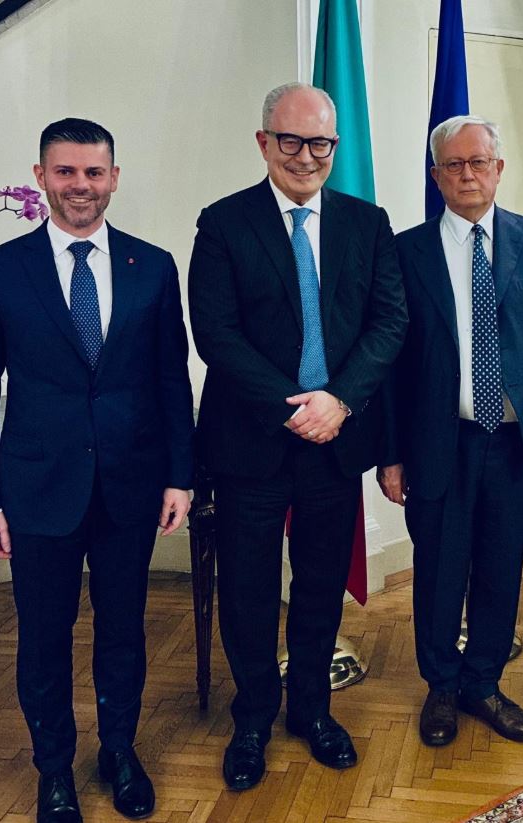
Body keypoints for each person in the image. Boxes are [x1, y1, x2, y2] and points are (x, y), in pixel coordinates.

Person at [0, 118, 194, 823]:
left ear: (114, 178)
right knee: (44, 637)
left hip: (131, 486)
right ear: (40, 177)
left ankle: (119, 751)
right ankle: (54, 769)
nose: (80, 186)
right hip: (36, 491)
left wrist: (179, 476)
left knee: (124, 630)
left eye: (94, 172)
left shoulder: (153, 266)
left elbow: (171, 380)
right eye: (65, 172)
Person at [188, 82, 406, 788]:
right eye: (291, 140)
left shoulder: (367, 223)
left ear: (334, 146)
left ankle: (311, 709)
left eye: (321, 143)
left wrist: (339, 401)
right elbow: (215, 334)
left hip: (335, 442)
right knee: (248, 589)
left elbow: (388, 322)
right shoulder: (223, 223)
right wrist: (292, 408)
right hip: (251, 442)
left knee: (319, 585)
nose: (306, 156)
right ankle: (252, 716)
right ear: (264, 142)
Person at [378, 115, 523, 746]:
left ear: (498, 169)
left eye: (479, 162)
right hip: (438, 442)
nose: (467, 174)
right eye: (454, 164)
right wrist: (391, 454)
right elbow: (391, 362)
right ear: (436, 175)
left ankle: (483, 683)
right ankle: (441, 686)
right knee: (439, 571)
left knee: (501, 566)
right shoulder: (406, 250)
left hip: (516, 443)